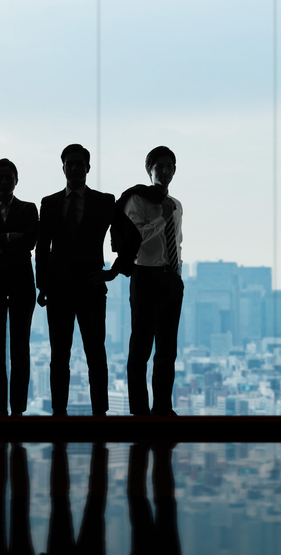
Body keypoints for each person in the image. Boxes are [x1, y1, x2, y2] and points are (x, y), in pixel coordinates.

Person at [35, 144, 141, 416]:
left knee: (96, 355)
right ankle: (59, 413)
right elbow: (41, 247)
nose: (73, 168)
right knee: (59, 356)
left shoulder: (104, 202)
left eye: (78, 164)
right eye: (69, 164)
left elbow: (133, 237)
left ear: (88, 168)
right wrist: (42, 284)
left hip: (92, 288)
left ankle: (100, 414)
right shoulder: (49, 203)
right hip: (58, 289)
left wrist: (114, 271)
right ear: (63, 168)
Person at [120, 147, 184, 416]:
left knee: (167, 350)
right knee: (141, 348)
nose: (165, 171)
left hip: (171, 278)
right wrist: (162, 217)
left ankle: (162, 409)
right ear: (150, 170)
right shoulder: (138, 200)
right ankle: (139, 411)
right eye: (160, 166)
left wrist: (178, 275)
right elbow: (135, 238)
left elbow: (177, 242)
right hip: (145, 276)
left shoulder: (176, 204)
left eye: (170, 166)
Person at [0, 159, 39, 416]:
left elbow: (32, 241)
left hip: (22, 283)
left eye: (8, 177)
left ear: (16, 179)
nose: (3, 181)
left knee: (20, 348)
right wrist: (13, 237)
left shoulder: (29, 209)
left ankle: (18, 410)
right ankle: (0, 409)